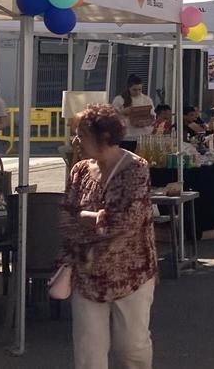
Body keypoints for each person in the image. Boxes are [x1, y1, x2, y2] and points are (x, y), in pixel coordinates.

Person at [61, 103, 157, 369]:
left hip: (131, 274)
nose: (76, 140)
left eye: (82, 134)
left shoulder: (136, 168)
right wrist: (94, 218)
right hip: (87, 273)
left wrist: (85, 218)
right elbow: (65, 217)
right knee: (88, 353)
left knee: (131, 349)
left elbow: (125, 220)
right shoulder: (79, 171)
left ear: (103, 137)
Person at [112, 74, 155, 145]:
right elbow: (112, 117)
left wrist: (146, 122)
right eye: (134, 90)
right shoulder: (119, 99)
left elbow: (153, 116)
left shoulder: (147, 99)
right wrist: (123, 112)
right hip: (127, 136)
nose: (137, 92)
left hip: (143, 135)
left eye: (139, 89)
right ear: (129, 88)